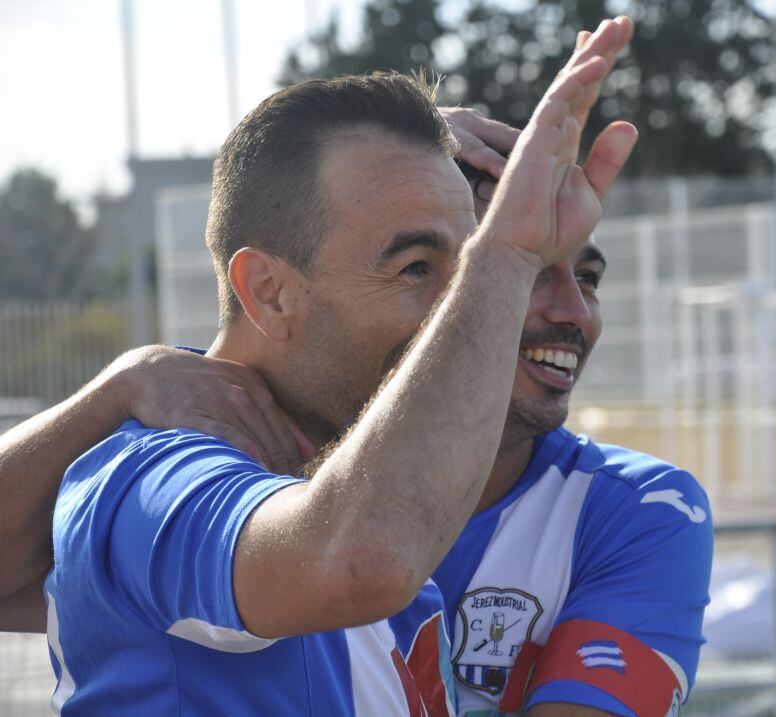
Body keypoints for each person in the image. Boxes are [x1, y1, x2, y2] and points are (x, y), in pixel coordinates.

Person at [2, 23, 712, 717]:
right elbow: (363, 558)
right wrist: (501, 252)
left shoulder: (349, 496)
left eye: (467, 272)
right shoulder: (156, 480)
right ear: (270, 292)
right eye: (417, 269)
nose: (465, 317)